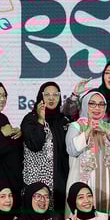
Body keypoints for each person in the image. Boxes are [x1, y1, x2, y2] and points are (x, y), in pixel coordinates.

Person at [65, 91, 110, 214]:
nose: (97, 108)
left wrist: (108, 132)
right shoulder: (76, 126)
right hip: (82, 181)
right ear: (85, 105)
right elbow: (72, 150)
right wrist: (87, 131)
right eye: (92, 104)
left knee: (107, 218)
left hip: (107, 183)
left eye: (101, 104)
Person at [21, 82, 71, 211]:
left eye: (55, 94)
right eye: (47, 94)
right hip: (37, 183)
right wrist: (40, 120)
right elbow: (35, 144)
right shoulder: (30, 119)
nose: (51, 98)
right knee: (36, 217)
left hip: (60, 181)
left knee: (58, 219)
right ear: (40, 97)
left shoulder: (64, 120)